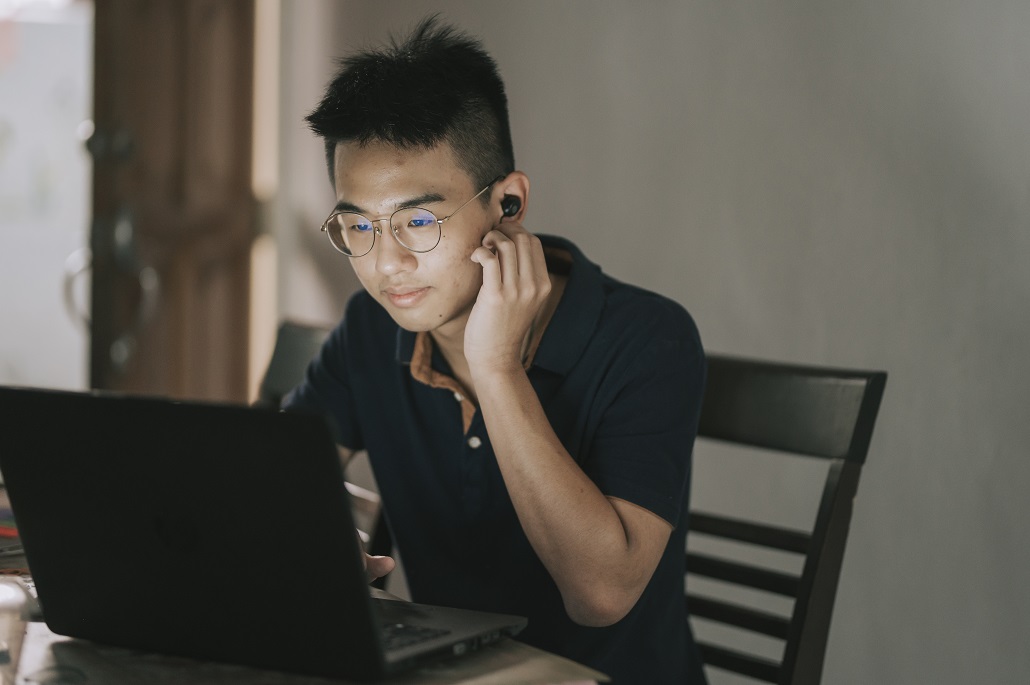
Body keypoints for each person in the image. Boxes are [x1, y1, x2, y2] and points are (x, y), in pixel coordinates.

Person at [285, 16, 707, 684]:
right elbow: (277, 475)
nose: (385, 262)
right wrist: (313, 530)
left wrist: (496, 367)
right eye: (357, 225)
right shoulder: (371, 327)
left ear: (508, 203)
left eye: (419, 221)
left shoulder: (649, 338)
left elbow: (602, 596)